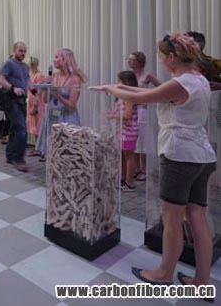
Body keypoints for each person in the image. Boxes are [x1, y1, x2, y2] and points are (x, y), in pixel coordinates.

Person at [91, 32, 217, 292]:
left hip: (180, 156)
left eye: (162, 56)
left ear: (172, 57)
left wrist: (110, 89)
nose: (160, 61)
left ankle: (163, 274)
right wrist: (124, 87)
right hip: (201, 156)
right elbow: (153, 92)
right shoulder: (199, 80)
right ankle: (202, 280)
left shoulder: (181, 83)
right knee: (197, 216)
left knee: (172, 219)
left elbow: (143, 98)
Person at [35, 48, 85, 161]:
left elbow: (71, 105)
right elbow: (45, 100)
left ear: (66, 59)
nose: (54, 60)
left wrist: (57, 95)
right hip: (52, 117)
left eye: (57, 57)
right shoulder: (54, 76)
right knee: (52, 154)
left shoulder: (74, 79)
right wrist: (44, 87)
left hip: (66, 118)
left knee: (67, 153)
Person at [0, 42, 35, 172]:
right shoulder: (9, 64)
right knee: (21, 129)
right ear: (14, 51)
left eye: (24, 51)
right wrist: (13, 88)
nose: (23, 53)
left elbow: (27, 80)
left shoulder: (25, 66)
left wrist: (34, 91)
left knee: (15, 129)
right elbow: (0, 79)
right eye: (20, 51)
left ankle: (10, 156)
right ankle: (19, 159)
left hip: (21, 101)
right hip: (11, 100)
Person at [127, 51, 160, 181]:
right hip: (131, 110)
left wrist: (148, 97)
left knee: (143, 139)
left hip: (142, 111)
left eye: (132, 60)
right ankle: (135, 168)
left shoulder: (147, 75)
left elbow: (160, 87)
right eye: (129, 60)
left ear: (140, 62)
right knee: (132, 139)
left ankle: (144, 169)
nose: (129, 62)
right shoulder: (129, 75)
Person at [107, 70, 139, 191]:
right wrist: (113, 113)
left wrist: (113, 116)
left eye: (119, 81)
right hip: (122, 130)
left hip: (129, 131)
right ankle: (123, 177)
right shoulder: (122, 97)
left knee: (129, 156)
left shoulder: (128, 97)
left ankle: (129, 182)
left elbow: (127, 115)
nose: (117, 83)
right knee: (123, 155)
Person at [26, 57, 46, 156]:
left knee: (38, 125)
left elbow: (39, 92)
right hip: (30, 102)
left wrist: (35, 106)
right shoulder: (31, 75)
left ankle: (40, 148)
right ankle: (37, 147)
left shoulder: (39, 75)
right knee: (33, 126)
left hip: (37, 104)